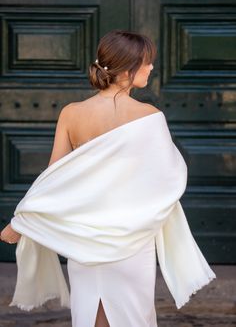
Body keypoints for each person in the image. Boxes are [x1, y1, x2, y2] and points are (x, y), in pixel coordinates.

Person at [0, 30, 216, 327]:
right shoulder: (149, 116)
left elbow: (53, 178)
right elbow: (169, 180)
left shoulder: (71, 114)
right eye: (147, 62)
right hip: (132, 239)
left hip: (84, 239)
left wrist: (21, 220)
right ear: (128, 68)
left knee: (90, 316)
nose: (152, 68)